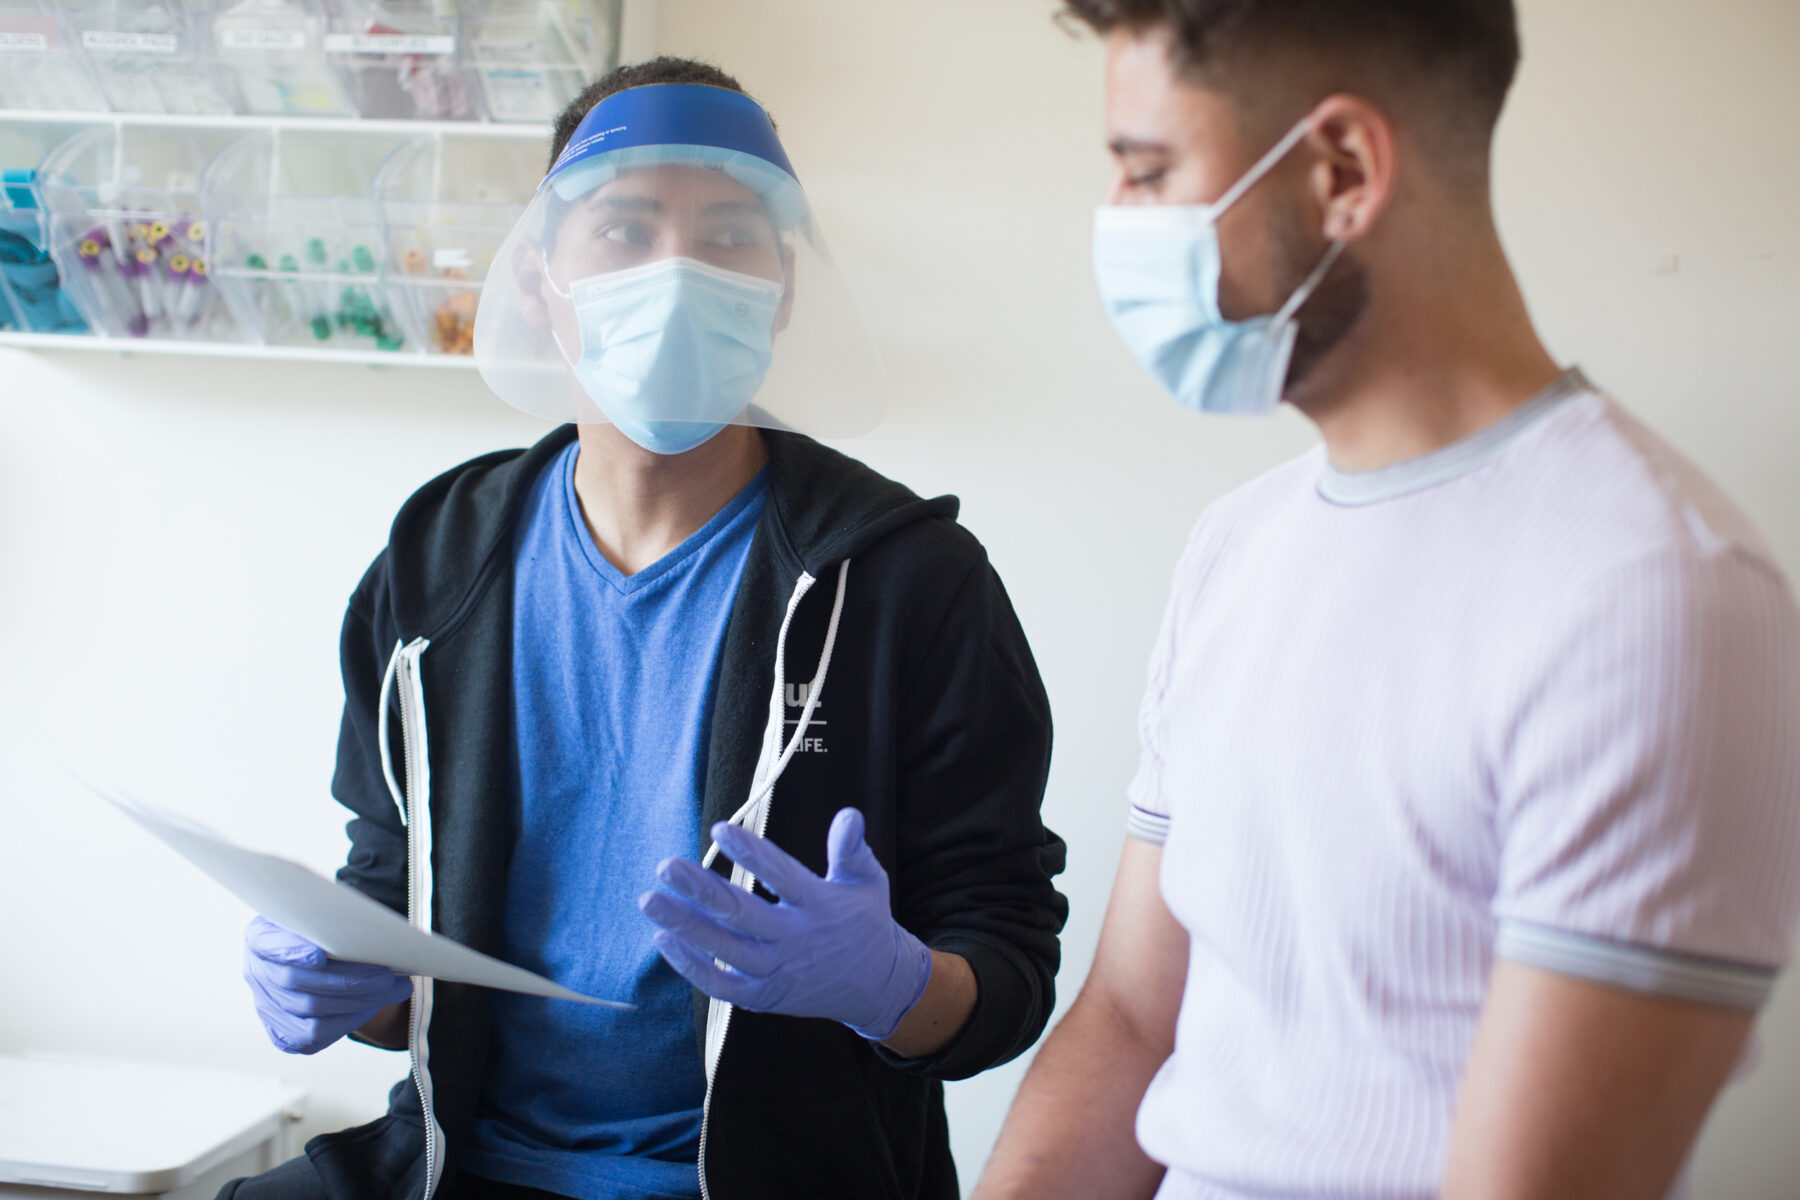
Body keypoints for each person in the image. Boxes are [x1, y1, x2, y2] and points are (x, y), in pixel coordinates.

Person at [975, 3, 1800, 1199]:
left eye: (1150, 173)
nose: (1119, 224)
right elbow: (1130, 1025)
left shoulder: (1653, 599)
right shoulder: (1235, 549)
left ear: (1342, 171)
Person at [225, 57, 1066, 1200]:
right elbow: (392, 898)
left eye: (729, 237)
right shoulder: (437, 560)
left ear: (786, 289)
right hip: (451, 1169)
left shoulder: (908, 581)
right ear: (536, 283)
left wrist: (890, 984)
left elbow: (1006, 969)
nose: (678, 273)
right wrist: (343, 975)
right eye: (624, 231)